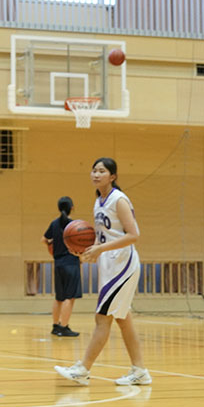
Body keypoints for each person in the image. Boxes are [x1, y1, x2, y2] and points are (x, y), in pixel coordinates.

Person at [55, 157, 150, 386]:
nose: (96, 174)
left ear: (113, 176)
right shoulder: (99, 201)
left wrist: (101, 248)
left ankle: (83, 369)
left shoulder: (119, 200)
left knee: (102, 318)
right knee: (123, 319)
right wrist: (90, 251)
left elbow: (133, 234)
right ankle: (140, 371)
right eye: (94, 170)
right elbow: (104, 236)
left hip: (123, 264)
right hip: (109, 263)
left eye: (101, 171)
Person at [42, 196, 81, 337]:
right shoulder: (75, 225)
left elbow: (44, 240)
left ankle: (55, 326)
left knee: (59, 297)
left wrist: (52, 244)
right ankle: (64, 327)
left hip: (58, 263)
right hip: (71, 263)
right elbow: (82, 243)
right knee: (69, 298)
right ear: (72, 208)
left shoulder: (54, 224)